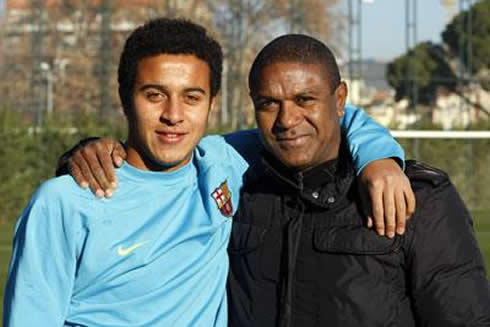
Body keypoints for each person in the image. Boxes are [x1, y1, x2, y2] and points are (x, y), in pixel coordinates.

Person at [5, 19, 412, 326]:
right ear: (125, 99)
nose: (173, 115)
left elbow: (322, 118)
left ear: (212, 103)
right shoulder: (64, 202)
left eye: (192, 97)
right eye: (154, 95)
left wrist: (379, 159)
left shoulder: (223, 161)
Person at [225, 34, 490, 326]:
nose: (287, 119)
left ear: (339, 100)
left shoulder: (419, 198)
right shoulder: (234, 193)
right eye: (269, 103)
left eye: (305, 99)